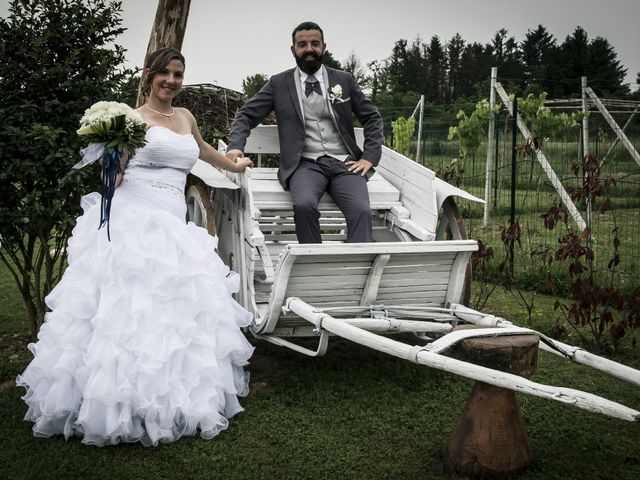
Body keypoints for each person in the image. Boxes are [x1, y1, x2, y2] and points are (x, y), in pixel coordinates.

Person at [16, 48, 255, 447]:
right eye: (165, 73)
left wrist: (233, 163)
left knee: (171, 318)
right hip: (135, 221)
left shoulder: (185, 117)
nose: (172, 81)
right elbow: (116, 176)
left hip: (173, 224)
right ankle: (113, 405)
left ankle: (171, 402)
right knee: (125, 314)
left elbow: (201, 151)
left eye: (178, 74)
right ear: (149, 75)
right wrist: (112, 164)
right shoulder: (130, 121)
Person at [226, 21, 384, 243]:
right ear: (293, 50)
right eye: (302, 44)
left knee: (360, 210)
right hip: (304, 164)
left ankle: (356, 271)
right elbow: (246, 115)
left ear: (323, 47)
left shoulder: (344, 80)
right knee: (303, 205)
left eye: (314, 43)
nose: (309, 49)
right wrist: (235, 146)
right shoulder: (278, 84)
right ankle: (313, 264)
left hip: (345, 163)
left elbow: (372, 117)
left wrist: (369, 156)